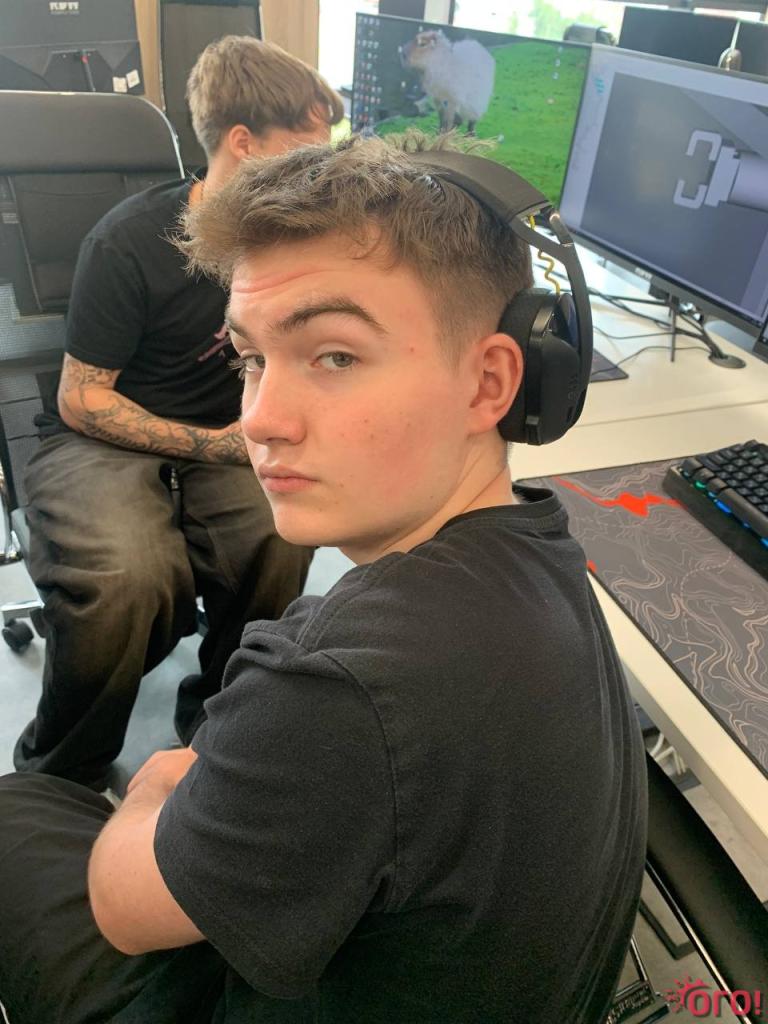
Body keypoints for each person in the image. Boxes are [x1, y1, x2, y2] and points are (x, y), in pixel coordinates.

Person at [0, 133, 647, 1024]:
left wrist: (154, 781)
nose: (259, 419)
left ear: (490, 383)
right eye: (251, 360)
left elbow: (121, 908)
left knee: (16, 811)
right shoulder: (541, 544)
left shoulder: (338, 689)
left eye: (334, 356)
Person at [13, 36, 344, 787]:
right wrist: (214, 444)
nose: (318, 171)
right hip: (102, 434)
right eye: (305, 151)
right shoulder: (129, 241)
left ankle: (217, 732)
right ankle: (60, 774)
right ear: (243, 143)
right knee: (127, 577)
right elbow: (81, 396)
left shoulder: (293, 239)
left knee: (278, 537)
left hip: (232, 431)